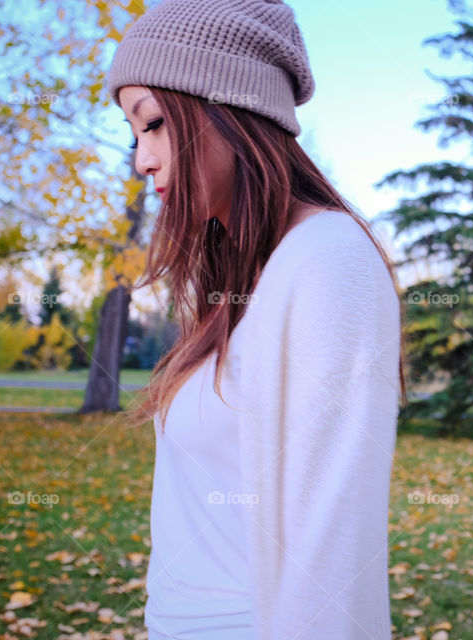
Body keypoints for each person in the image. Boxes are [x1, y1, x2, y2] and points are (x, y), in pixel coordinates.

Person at [106, 1, 408, 638]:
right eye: (136, 135)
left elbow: (332, 553)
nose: (142, 159)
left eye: (155, 123)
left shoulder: (328, 261)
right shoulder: (241, 277)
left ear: (229, 108)